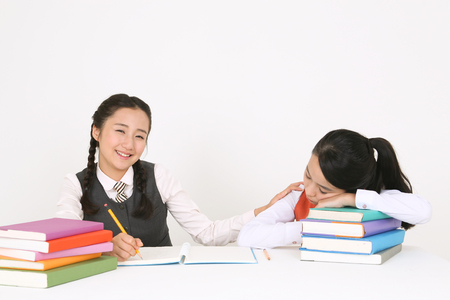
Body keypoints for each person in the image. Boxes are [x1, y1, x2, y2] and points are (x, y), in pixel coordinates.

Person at [56, 94, 284, 261]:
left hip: (163, 283)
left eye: (139, 136)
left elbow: (207, 233)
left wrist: (262, 212)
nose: (129, 144)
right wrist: (105, 246)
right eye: (120, 131)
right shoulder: (74, 184)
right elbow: (64, 240)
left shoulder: (159, 175)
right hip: (102, 287)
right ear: (96, 131)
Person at [237, 129, 432, 249]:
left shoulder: (374, 200)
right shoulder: (297, 196)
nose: (310, 191)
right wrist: (313, 229)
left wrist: (350, 200)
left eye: (324, 190)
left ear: (356, 188)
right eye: (308, 175)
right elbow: (247, 236)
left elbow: (424, 212)